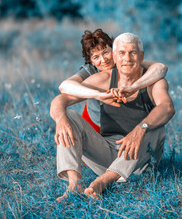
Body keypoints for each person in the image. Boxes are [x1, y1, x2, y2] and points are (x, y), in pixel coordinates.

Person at [50, 32, 175, 201]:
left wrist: (140, 129)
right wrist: (60, 120)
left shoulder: (154, 81)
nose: (127, 58)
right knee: (69, 116)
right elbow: (60, 98)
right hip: (107, 152)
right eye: (122, 53)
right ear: (116, 57)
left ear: (141, 56)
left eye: (133, 52)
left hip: (139, 161)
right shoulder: (103, 78)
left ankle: (104, 181)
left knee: (155, 125)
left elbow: (167, 107)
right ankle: (74, 185)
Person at [58, 28, 168, 133]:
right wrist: (97, 94)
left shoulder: (126, 60)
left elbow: (161, 68)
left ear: (114, 51)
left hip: (124, 122)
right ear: (91, 61)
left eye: (105, 52)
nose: (103, 60)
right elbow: (64, 86)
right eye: (96, 57)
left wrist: (134, 87)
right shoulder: (90, 70)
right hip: (95, 122)